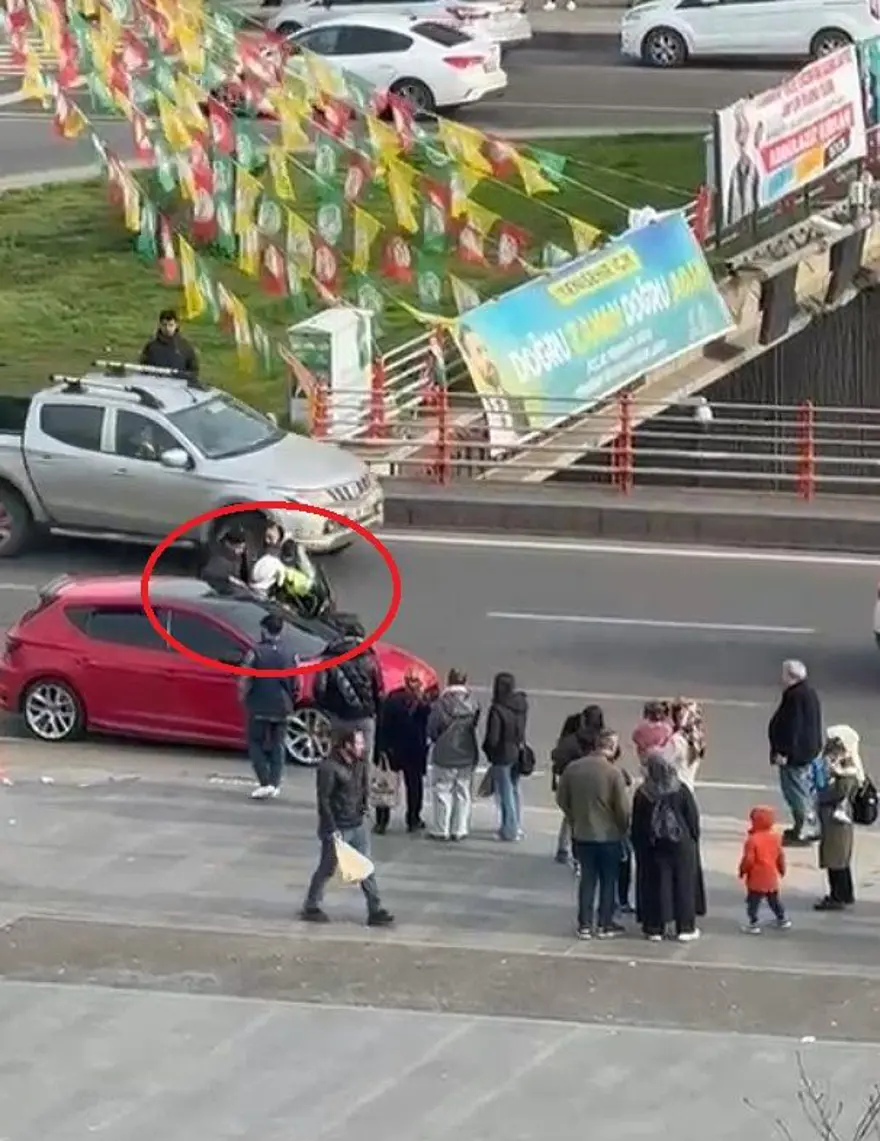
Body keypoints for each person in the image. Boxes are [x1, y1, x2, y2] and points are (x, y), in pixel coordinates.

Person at [301, 725, 394, 927]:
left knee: (366, 867)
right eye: (358, 742)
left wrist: (363, 809)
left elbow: (362, 788)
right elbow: (324, 800)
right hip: (338, 827)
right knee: (328, 867)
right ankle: (311, 905)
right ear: (346, 745)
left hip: (357, 823)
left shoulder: (359, 763)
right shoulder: (329, 768)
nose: (363, 746)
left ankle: (375, 909)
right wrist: (331, 829)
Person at [555, 729, 631, 940]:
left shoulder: (573, 768)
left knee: (587, 880)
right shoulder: (613, 773)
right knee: (608, 880)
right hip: (608, 835)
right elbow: (622, 809)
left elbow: (562, 799)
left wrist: (574, 818)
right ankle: (605, 923)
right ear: (612, 748)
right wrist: (623, 829)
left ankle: (585, 924)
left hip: (582, 833)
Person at [631, 751, 704, 943]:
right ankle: (685, 927)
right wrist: (693, 839)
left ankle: (655, 927)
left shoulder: (644, 793)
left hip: (653, 845)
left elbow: (637, 824)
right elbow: (692, 819)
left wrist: (639, 846)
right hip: (681, 844)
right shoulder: (680, 789)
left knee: (655, 885)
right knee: (684, 884)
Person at [238, 612, 298, 800]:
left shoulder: (255, 652)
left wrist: (242, 696)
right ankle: (275, 782)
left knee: (255, 742)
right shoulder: (291, 653)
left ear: (264, 630)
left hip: (260, 704)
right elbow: (297, 682)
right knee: (278, 744)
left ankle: (264, 782)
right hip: (283, 705)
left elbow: (245, 678)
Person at [313, 616, 383, 768]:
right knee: (364, 760)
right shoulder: (370, 658)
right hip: (364, 716)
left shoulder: (328, 658)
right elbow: (379, 689)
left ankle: (340, 788)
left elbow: (319, 689)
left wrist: (328, 709)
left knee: (338, 756)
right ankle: (363, 789)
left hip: (339, 717)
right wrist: (375, 711)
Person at [768, 659, 823, 845]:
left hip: (795, 755)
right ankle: (802, 826)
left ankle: (806, 829)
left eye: (784, 673)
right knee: (801, 789)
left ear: (791, 676)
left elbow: (793, 727)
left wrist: (784, 752)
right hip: (805, 751)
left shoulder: (795, 696)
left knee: (796, 792)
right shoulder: (807, 693)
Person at [426, 668, 480, 841]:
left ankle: (441, 829)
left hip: (445, 752)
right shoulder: (473, 702)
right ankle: (460, 829)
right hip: (467, 751)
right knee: (463, 792)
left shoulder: (441, 703)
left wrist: (437, 739)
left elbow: (433, 728)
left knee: (442, 791)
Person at [377, 668, 431, 834]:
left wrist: (380, 749)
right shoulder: (423, 703)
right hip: (410, 750)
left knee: (388, 785)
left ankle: (384, 821)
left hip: (398, 749)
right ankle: (412, 819)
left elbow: (382, 725)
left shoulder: (394, 699)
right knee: (410, 786)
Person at [551, 704, 605, 865]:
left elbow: (558, 756)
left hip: (572, 779)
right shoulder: (601, 739)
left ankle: (564, 848)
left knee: (570, 816)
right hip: (595, 780)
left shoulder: (572, 737)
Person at [815, 729, 861, 911]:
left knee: (835, 858)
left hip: (837, 821)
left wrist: (821, 795)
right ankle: (845, 893)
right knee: (840, 858)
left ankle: (837, 896)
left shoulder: (846, 768)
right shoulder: (842, 763)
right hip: (837, 820)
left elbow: (840, 791)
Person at [482, 671, 528, 842]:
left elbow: (493, 737)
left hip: (502, 754)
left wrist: (488, 750)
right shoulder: (521, 704)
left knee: (505, 792)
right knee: (515, 789)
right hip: (518, 749)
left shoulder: (497, 709)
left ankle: (509, 829)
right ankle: (516, 825)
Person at [738, 805, 790, 934]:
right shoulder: (776, 838)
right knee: (774, 900)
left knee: (753, 902)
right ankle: (782, 919)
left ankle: (753, 923)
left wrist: (742, 870)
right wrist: (782, 869)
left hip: (756, 878)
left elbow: (749, 860)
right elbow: (780, 856)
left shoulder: (752, 840)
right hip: (771, 877)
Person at [140, 308, 199, 376]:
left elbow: (193, 371)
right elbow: (143, 368)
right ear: (160, 325)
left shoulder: (185, 347)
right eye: (164, 325)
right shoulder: (151, 346)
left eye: (171, 325)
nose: (167, 328)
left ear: (176, 325)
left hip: (178, 385)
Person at [668, 698, 706, 791]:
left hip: (674, 792)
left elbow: (664, 762)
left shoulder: (677, 740)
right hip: (688, 789)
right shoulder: (698, 740)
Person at [201, 526, 250, 592]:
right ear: (228, 544)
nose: (241, 551)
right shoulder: (219, 561)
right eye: (239, 547)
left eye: (243, 548)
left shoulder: (239, 559)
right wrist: (231, 579)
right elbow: (210, 576)